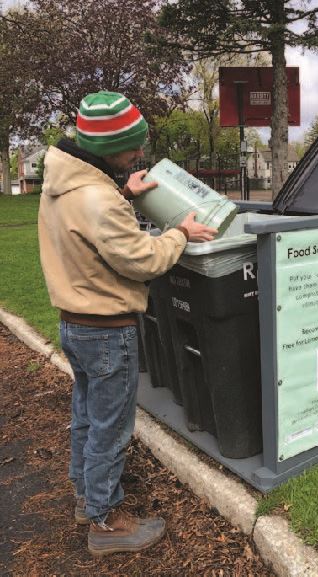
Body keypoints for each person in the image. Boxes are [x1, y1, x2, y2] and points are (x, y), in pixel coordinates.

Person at [38, 91, 217, 557]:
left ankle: (86, 496)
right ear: (107, 148)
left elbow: (90, 220)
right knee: (112, 428)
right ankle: (106, 521)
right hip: (106, 328)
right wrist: (181, 233)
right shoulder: (99, 200)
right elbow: (142, 259)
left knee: (87, 416)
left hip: (74, 324)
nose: (140, 154)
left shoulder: (65, 183)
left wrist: (123, 193)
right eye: (133, 146)